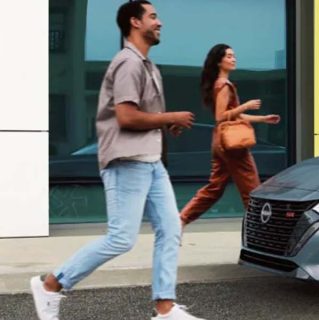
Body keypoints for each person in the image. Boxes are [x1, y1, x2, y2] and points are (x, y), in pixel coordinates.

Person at [29, 1, 204, 319]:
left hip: (152, 163)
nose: (160, 22)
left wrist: (166, 122)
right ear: (135, 23)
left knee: (170, 228)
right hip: (127, 162)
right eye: (153, 16)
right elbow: (126, 116)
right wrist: (171, 115)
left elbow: (144, 115)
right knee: (121, 238)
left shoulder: (148, 66)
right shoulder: (128, 63)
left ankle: (165, 308)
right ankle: (51, 285)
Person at [178, 44, 280, 228]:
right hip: (232, 143)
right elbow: (221, 116)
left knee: (214, 188)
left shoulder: (219, 84)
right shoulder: (224, 85)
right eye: (229, 56)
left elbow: (234, 114)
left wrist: (263, 118)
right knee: (251, 189)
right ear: (219, 62)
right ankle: (259, 230)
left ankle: (180, 220)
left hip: (220, 141)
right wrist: (246, 105)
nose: (234, 59)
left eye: (234, 56)